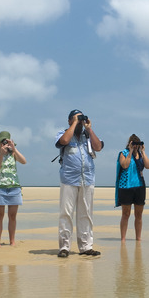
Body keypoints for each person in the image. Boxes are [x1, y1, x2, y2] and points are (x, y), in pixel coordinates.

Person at [55, 109, 103, 257]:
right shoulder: (63, 133)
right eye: (76, 118)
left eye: (81, 118)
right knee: (66, 213)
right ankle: (64, 247)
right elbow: (63, 142)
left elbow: (98, 147)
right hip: (69, 179)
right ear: (69, 120)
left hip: (87, 179)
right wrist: (75, 123)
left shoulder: (87, 136)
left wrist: (89, 128)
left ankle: (86, 247)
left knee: (86, 214)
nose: (80, 121)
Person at [0, 130, 27, 247]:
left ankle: (12, 241)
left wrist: (14, 149)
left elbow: (24, 161)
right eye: (3, 142)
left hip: (14, 187)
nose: (5, 144)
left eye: (7, 142)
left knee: (12, 216)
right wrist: (1, 154)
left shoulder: (13, 154)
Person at [115, 134, 149, 241]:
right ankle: (123, 239)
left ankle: (138, 238)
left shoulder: (140, 155)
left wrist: (143, 152)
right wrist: (130, 152)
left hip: (139, 187)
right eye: (134, 144)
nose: (136, 146)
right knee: (125, 214)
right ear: (130, 144)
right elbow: (124, 165)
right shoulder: (123, 153)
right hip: (126, 187)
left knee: (139, 214)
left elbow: (148, 166)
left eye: (137, 144)